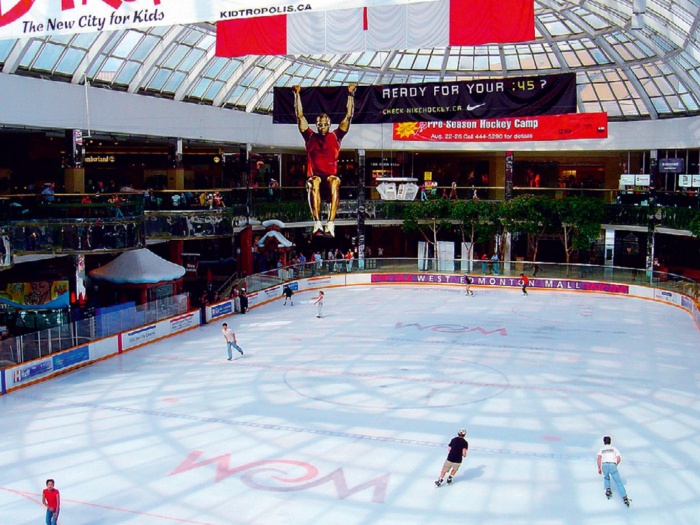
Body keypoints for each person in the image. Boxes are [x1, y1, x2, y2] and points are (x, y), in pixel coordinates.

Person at [293, 83, 356, 237]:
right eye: (319, 125)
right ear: (316, 125)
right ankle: (317, 223)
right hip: (315, 179)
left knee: (335, 181)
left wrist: (350, 94)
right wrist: (297, 95)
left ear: (329, 124)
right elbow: (299, 115)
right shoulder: (309, 136)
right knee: (314, 182)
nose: (322, 127)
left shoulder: (336, 136)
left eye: (325, 124)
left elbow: (349, 115)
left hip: (329, 178)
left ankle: (331, 223)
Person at [597, 436, 630, 506]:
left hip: (604, 465)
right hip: (612, 465)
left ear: (604, 442)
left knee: (606, 477)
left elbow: (599, 458)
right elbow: (619, 458)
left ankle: (608, 490)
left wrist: (599, 468)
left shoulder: (602, 449)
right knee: (618, 482)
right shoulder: (614, 449)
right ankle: (624, 497)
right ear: (610, 441)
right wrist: (615, 464)